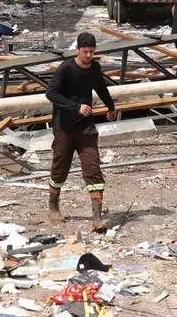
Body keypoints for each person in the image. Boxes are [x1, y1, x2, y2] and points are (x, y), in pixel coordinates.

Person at [45, 33, 116, 231]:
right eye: (85, 52)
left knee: (93, 167)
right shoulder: (66, 68)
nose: (88, 55)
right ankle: (53, 206)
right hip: (64, 127)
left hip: (86, 127)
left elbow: (101, 87)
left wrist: (110, 107)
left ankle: (97, 218)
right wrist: (76, 107)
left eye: (92, 52)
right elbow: (51, 93)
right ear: (77, 49)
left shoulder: (94, 68)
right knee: (60, 167)